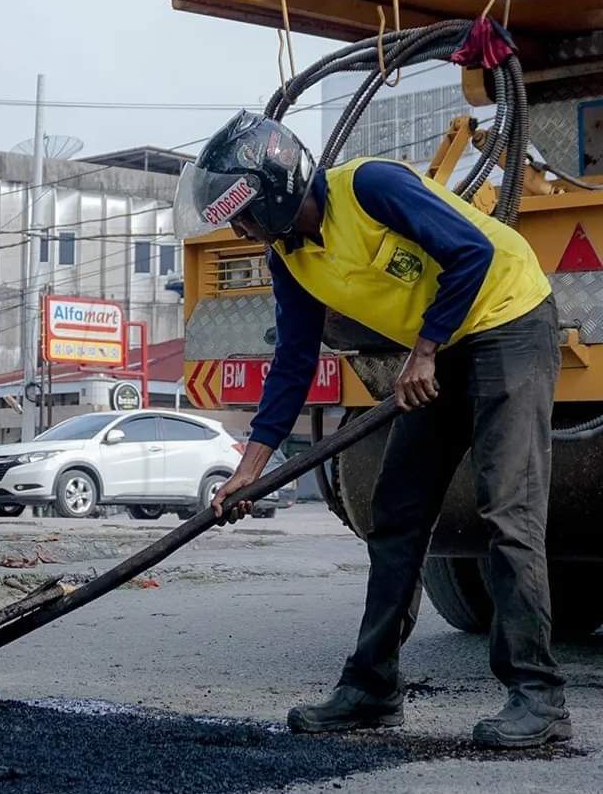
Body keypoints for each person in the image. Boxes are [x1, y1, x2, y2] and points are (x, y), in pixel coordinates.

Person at [173, 111, 567, 749]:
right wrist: (251, 469)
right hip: (442, 343)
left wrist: (426, 350)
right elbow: (293, 366)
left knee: (508, 511)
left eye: (241, 216)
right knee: (396, 513)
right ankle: (372, 687)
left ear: (271, 192)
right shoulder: (289, 259)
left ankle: (538, 697)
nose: (241, 231)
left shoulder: (371, 187)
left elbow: (474, 253)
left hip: (508, 318)